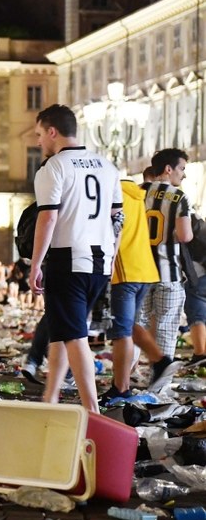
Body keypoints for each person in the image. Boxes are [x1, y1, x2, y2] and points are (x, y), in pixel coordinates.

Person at [29, 104, 122, 413]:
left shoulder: (54, 167)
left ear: (53, 132)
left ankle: (92, 410)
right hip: (100, 260)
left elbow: (48, 220)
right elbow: (117, 218)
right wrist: (112, 255)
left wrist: (34, 264)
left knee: (74, 336)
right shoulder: (107, 166)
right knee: (62, 331)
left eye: (40, 135)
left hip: (66, 259)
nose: (39, 141)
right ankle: (51, 398)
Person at [100, 177, 182, 405]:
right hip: (145, 269)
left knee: (121, 332)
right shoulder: (137, 196)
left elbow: (112, 232)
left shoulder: (112, 196)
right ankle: (160, 360)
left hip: (125, 270)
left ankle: (121, 388)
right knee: (130, 326)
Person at [138, 148, 193, 391]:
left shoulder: (137, 194)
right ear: (168, 169)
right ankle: (159, 388)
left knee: (136, 326)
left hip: (139, 272)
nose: (183, 175)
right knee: (166, 329)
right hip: (167, 273)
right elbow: (185, 235)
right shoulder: (179, 197)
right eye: (181, 169)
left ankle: (125, 379)